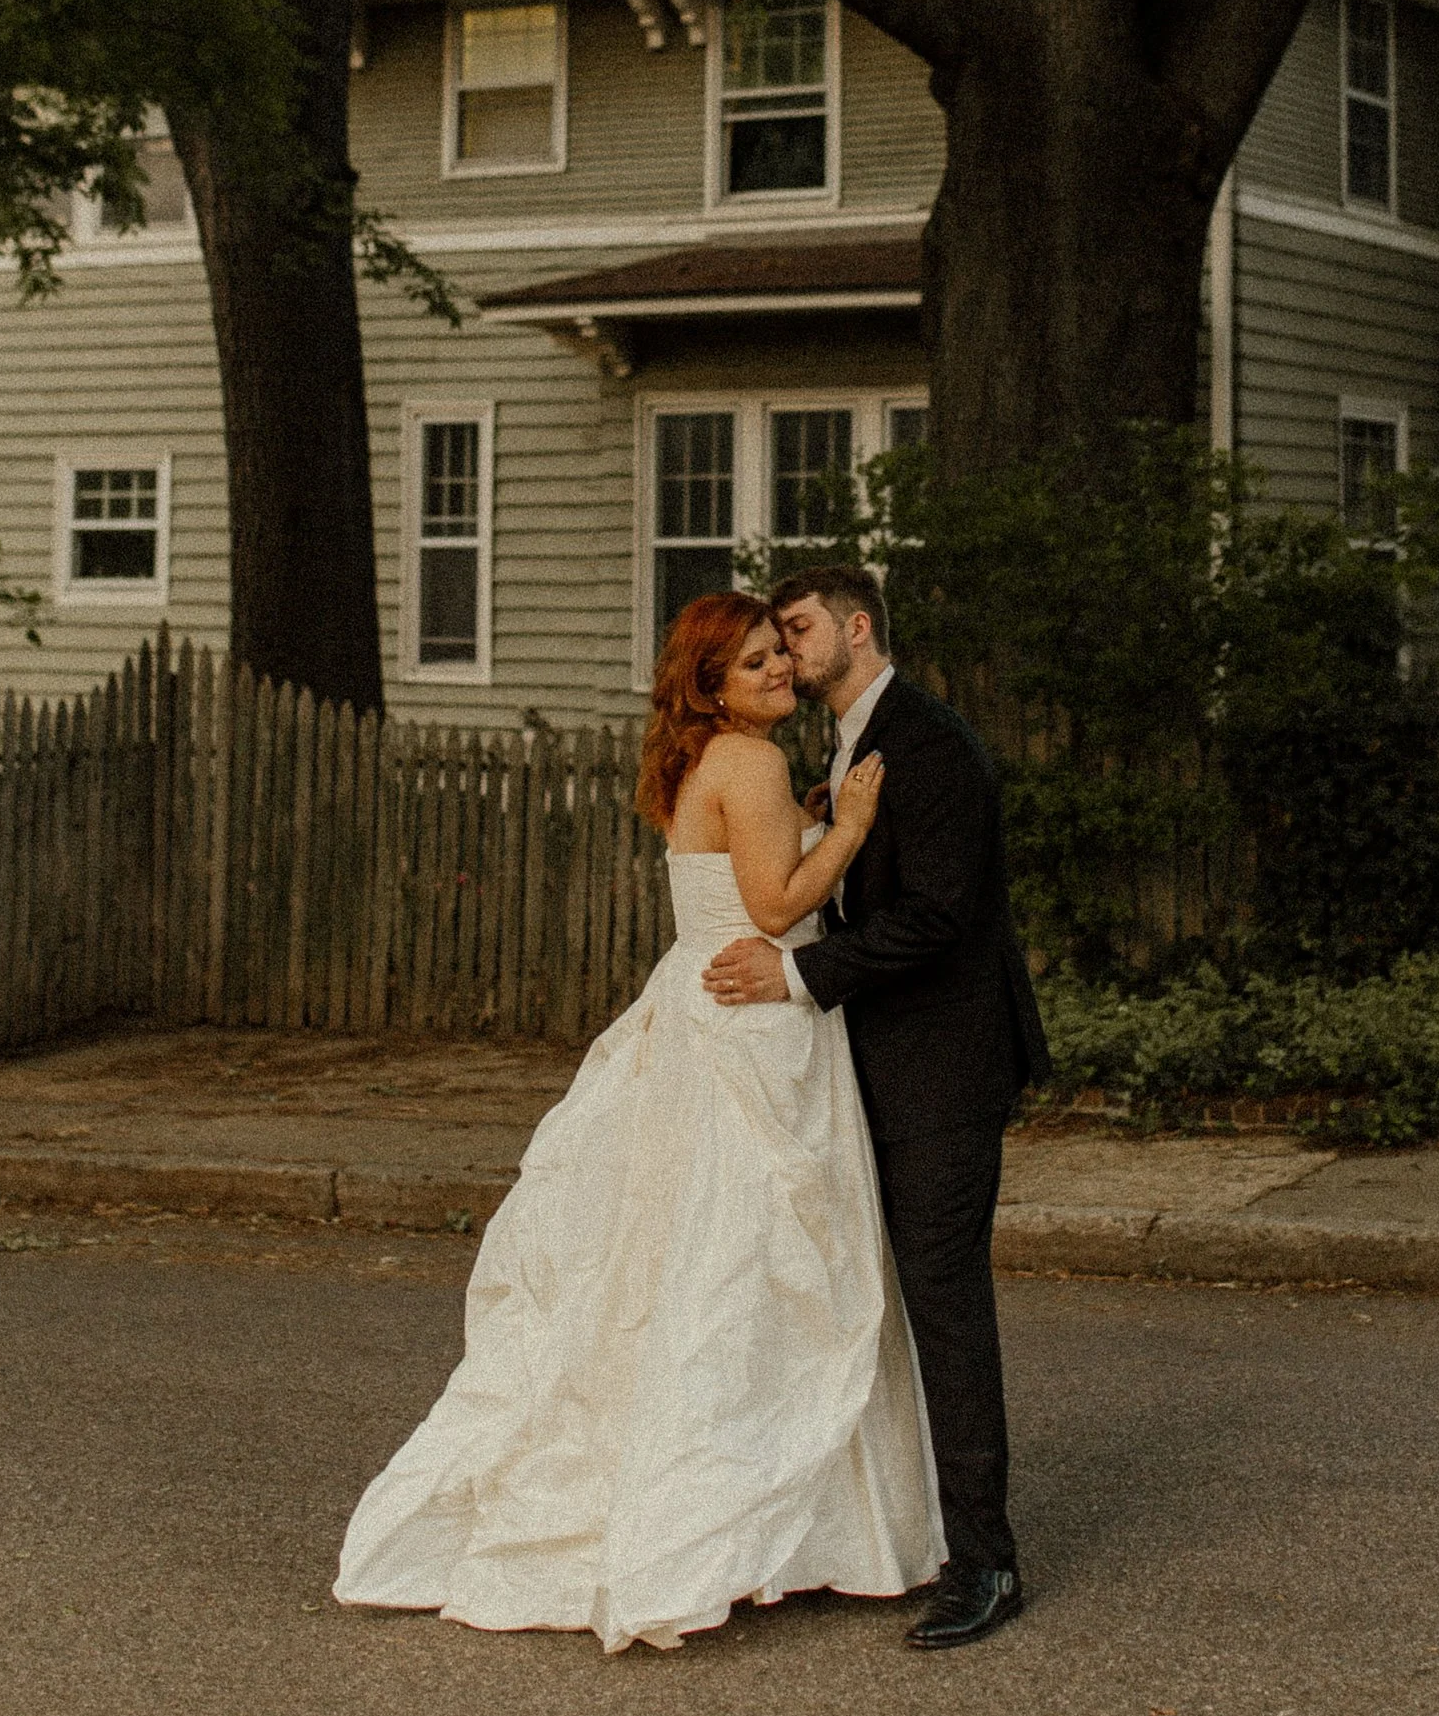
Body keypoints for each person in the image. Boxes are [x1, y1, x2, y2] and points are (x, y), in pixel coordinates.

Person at [334, 590, 942, 1653]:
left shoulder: (705, 757)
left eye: (775, 655)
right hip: (752, 1024)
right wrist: (843, 827)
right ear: (707, 684)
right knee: (747, 1267)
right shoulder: (746, 762)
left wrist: (805, 815)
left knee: (683, 1263)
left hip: (698, 1015)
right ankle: (739, 1523)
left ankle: (766, 1523)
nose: (775, 673)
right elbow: (770, 905)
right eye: (751, 662)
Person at [703, 562, 1051, 1652]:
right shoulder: (853, 744)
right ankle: (894, 1530)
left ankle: (986, 1566)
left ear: (857, 629)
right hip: (886, 1064)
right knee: (885, 1301)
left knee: (944, 1307)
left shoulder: (930, 745)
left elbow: (940, 917)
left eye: (798, 631)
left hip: (944, 1069)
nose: (787, 650)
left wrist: (800, 976)